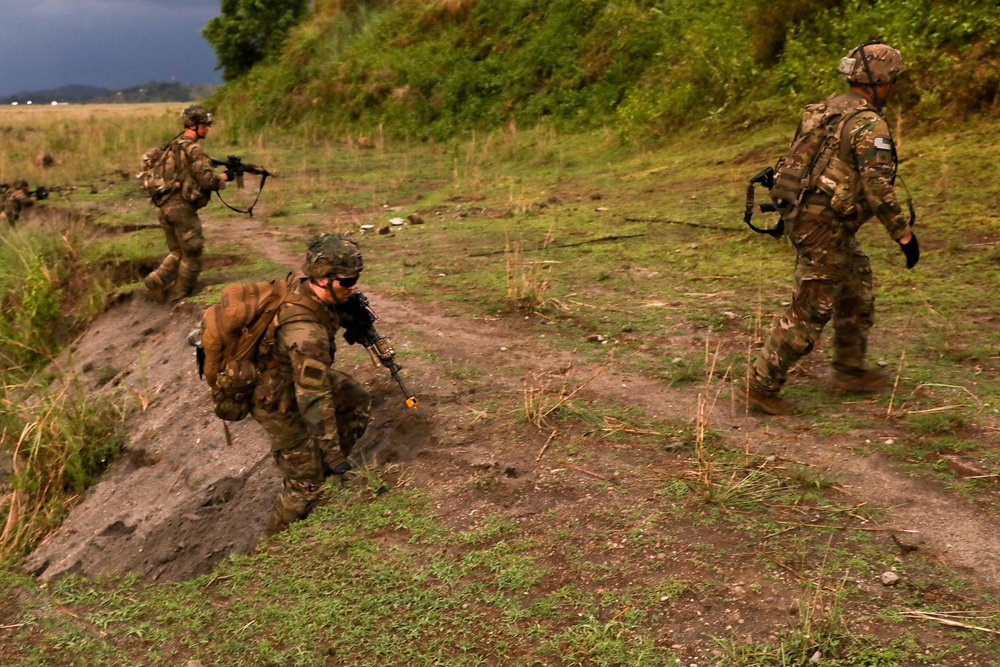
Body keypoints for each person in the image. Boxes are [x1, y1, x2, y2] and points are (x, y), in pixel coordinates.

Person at [742, 42, 919, 415]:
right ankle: (759, 386)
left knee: (857, 284)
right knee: (813, 305)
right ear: (881, 81)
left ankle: (850, 370)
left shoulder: (822, 109)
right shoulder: (870, 124)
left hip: (806, 215)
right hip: (822, 224)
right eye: (894, 79)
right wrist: (903, 234)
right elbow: (877, 188)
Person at [251, 233, 373, 535]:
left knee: (355, 399)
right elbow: (313, 399)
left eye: (355, 278)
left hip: (294, 375)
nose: (353, 286)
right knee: (304, 484)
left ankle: (322, 468)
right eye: (346, 282)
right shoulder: (305, 336)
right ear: (321, 279)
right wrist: (335, 457)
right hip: (275, 397)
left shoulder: (306, 286)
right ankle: (272, 546)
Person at [144, 105, 230, 304]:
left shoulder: (171, 147)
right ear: (194, 125)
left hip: (164, 207)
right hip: (181, 209)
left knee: (177, 252)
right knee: (193, 253)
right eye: (204, 125)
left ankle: (156, 279)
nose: (207, 128)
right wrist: (224, 177)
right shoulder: (193, 149)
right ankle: (179, 298)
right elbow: (208, 181)